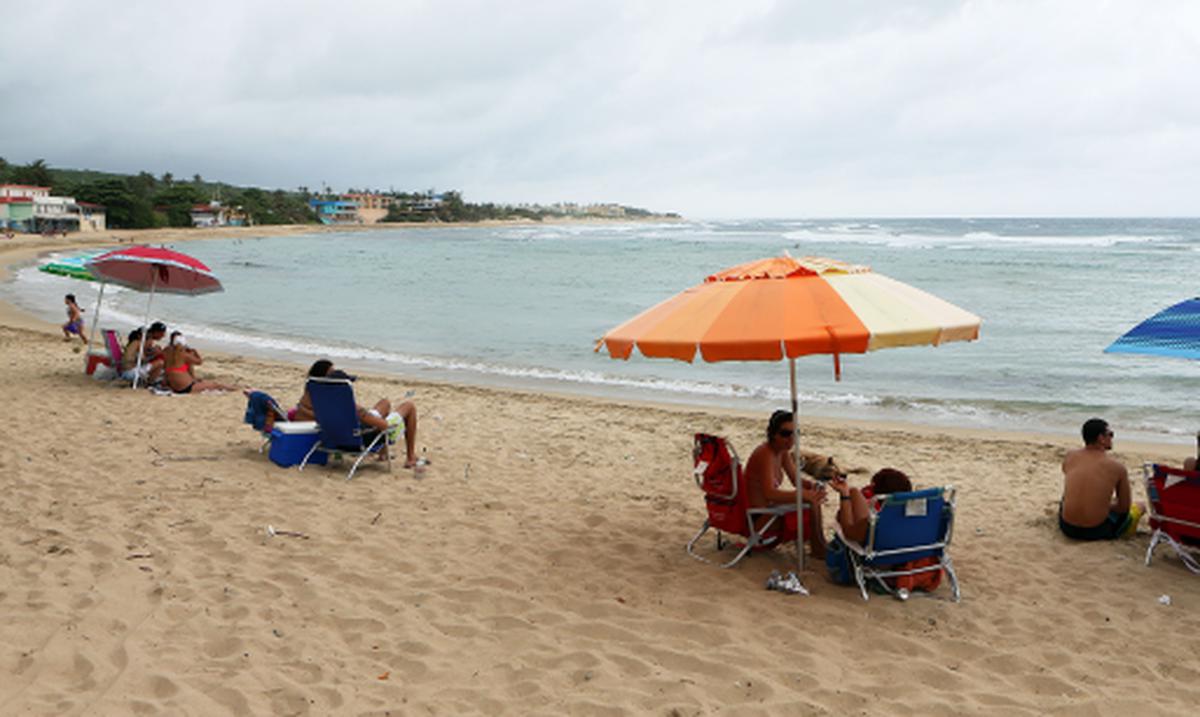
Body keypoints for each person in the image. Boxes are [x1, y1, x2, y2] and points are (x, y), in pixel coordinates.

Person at [294, 359, 421, 469]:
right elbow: (384, 426)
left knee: (385, 403)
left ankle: (383, 454)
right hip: (360, 436)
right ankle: (410, 457)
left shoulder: (322, 404)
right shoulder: (349, 408)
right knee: (409, 406)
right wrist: (383, 423)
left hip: (337, 435)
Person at [743, 409, 828, 559]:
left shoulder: (782, 452)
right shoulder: (765, 453)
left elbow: (797, 481)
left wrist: (813, 485)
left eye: (795, 433)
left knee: (811, 499)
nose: (791, 439)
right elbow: (770, 493)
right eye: (785, 434)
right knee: (810, 501)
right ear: (773, 434)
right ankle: (819, 547)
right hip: (757, 518)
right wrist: (803, 495)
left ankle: (820, 544)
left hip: (769, 511)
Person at [1060, 418, 1144, 541]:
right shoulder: (1117, 467)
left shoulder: (1070, 456)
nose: (1112, 438)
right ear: (1101, 438)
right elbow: (1123, 508)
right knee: (1140, 507)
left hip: (1067, 527)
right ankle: (1127, 532)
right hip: (1095, 531)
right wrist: (1106, 506)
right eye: (1110, 434)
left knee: (1066, 497)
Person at [829, 468, 913, 544]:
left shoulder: (876, 520)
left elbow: (848, 532)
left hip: (871, 556)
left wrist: (845, 494)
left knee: (853, 492)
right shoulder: (911, 518)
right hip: (901, 556)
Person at [161, 332, 238, 394]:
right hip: (185, 388)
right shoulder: (184, 355)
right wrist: (195, 352)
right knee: (216, 385)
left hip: (173, 385)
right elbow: (199, 362)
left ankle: (194, 380)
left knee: (204, 381)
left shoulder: (167, 351)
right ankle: (235, 389)